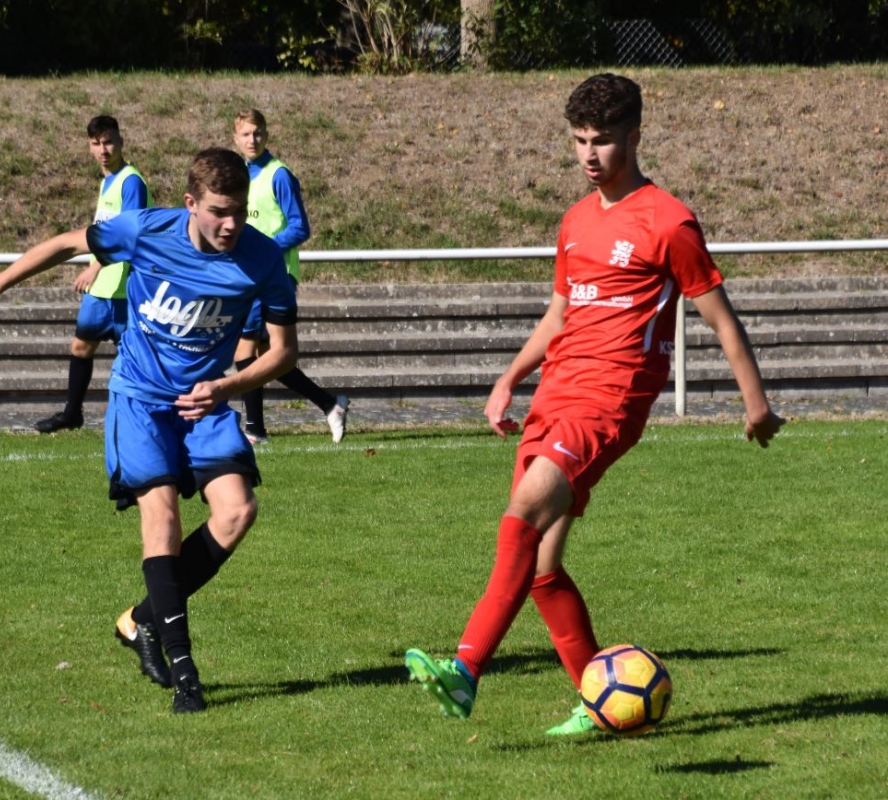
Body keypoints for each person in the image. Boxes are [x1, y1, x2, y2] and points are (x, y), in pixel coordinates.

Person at [404, 73, 785, 734]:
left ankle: (465, 669)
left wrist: (756, 404)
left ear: (634, 137)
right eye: (579, 140)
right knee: (542, 565)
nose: (589, 153)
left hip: (610, 401)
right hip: (556, 393)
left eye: (602, 140)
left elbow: (721, 317)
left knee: (525, 509)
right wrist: (509, 378)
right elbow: (559, 314)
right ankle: (597, 703)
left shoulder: (668, 220)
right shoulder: (576, 221)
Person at [0, 147, 299, 714]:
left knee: (237, 512)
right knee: (162, 518)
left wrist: (226, 387)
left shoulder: (262, 258)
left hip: (206, 402)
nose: (231, 223)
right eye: (218, 211)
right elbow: (69, 243)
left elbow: (284, 353)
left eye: (238, 210)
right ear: (190, 204)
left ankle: (140, 620)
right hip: (140, 398)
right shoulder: (146, 230)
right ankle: (187, 677)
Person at [231, 108, 349, 445]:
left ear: (266, 135)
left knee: (245, 351)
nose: (252, 139)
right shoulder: (240, 175)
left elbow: (300, 227)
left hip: (275, 275)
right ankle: (329, 404)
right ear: (235, 138)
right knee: (269, 356)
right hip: (251, 275)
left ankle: (255, 430)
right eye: (245, 134)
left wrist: (264, 248)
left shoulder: (278, 174)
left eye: (257, 133)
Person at [35, 115, 151, 433]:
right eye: (96, 143)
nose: (103, 149)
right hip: (102, 289)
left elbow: (128, 235)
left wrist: (96, 266)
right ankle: (72, 414)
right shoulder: (107, 181)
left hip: (125, 288)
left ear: (121, 141)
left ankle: (146, 420)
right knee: (80, 347)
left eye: (108, 142)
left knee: (138, 358)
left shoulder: (131, 182)